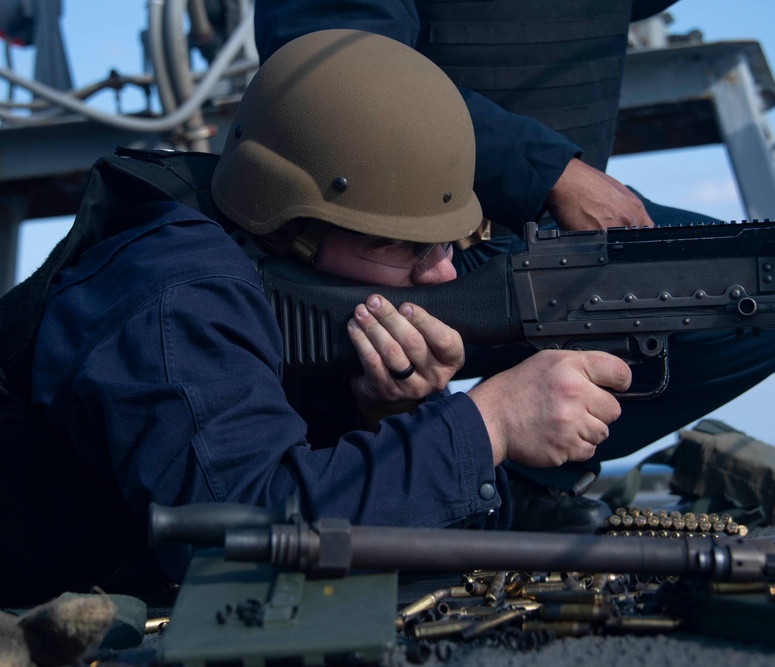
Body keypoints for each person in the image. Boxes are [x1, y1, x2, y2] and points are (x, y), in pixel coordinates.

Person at [3, 29, 631, 603]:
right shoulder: (178, 295)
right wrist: (489, 421)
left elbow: (448, 553)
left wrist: (389, 418)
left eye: (448, 242)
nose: (441, 273)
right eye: (401, 245)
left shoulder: (297, 284)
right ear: (291, 227)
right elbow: (235, 543)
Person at [253, 0, 775, 529]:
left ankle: (510, 483)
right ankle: (455, 471)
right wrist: (548, 171)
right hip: (388, 237)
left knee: (766, 300)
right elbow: (333, 69)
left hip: (518, 233)